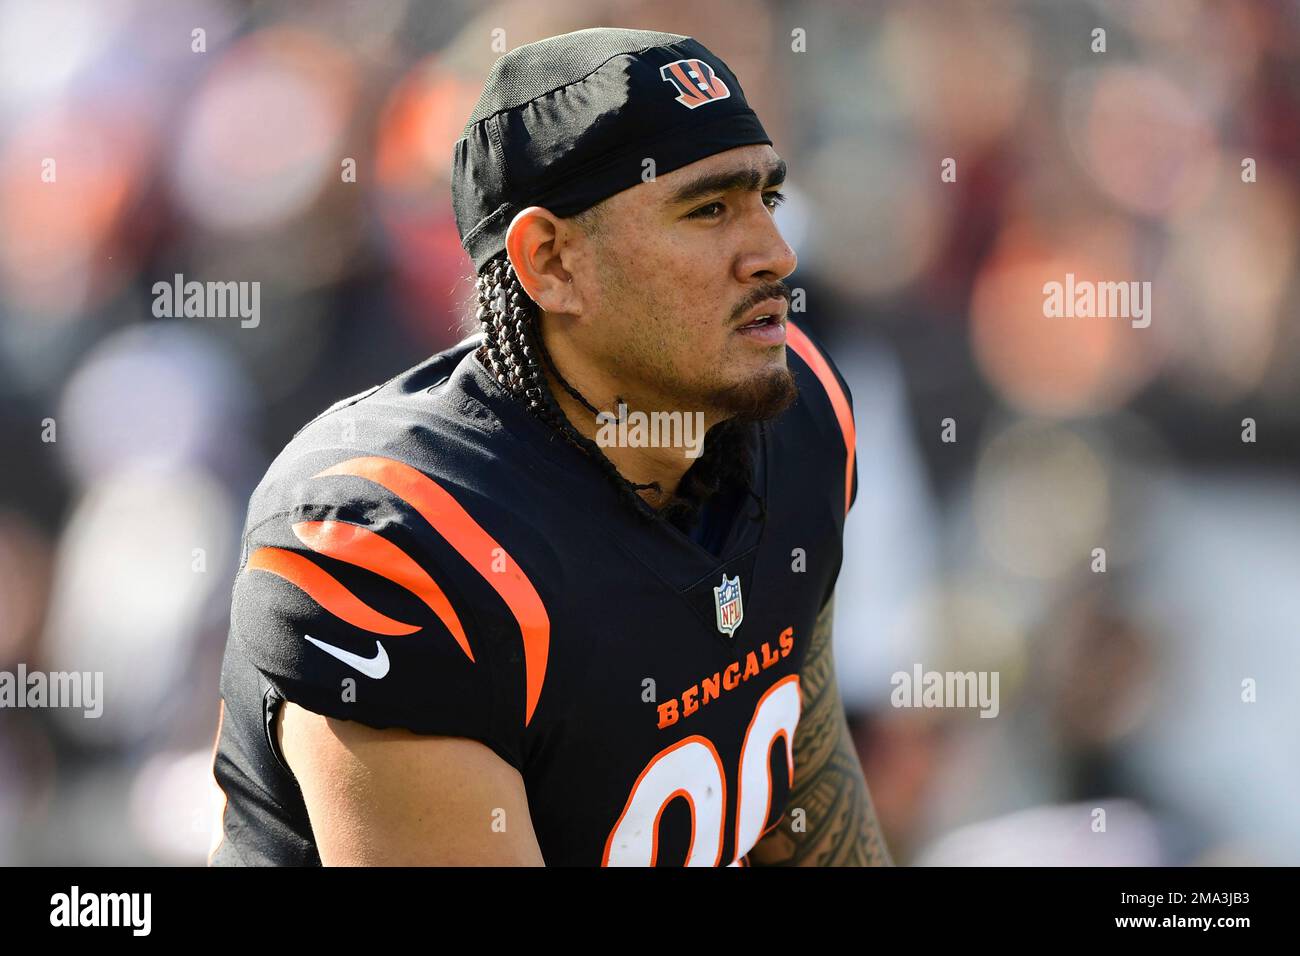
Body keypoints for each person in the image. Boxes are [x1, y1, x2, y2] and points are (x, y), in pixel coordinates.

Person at [209, 26, 891, 866]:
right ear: (552, 262)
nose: (774, 255)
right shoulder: (393, 536)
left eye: (766, 199)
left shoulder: (799, 413)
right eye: (709, 208)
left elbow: (809, 807)